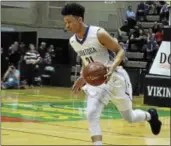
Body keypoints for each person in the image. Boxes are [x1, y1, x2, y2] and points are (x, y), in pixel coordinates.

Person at [61, 3, 162, 145]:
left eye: (69, 22)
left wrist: (113, 66)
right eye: (65, 22)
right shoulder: (73, 41)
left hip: (114, 78)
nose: (67, 26)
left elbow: (120, 51)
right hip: (98, 82)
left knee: (129, 117)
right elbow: (88, 63)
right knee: (91, 113)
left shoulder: (98, 33)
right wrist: (83, 78)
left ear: (80, 19)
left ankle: (150, 115)